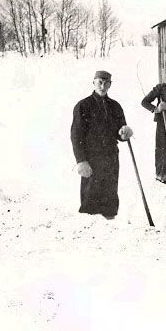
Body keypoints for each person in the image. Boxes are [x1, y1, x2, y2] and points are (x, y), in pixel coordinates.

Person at [71, 70, 134, 219]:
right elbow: (76, 135)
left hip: (111, 156)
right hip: (91, 158)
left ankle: (110, 227)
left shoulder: (115, 106)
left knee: (110, 197)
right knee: (90, 197)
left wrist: (125, 131)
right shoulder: (83, 106)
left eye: (106, 83)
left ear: (110, 85)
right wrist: (81, 161)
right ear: (93, 82)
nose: (103, 86)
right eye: (100, 82)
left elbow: (121, 132)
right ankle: (90, 230)